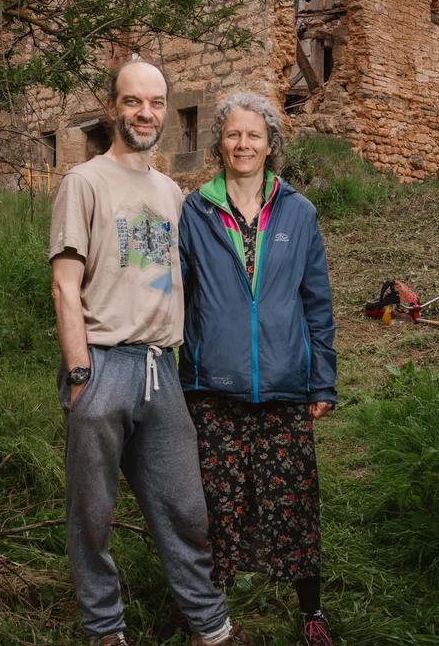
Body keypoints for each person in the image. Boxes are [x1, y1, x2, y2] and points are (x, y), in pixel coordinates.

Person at [49, 59, 248, 646]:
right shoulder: (83, 182)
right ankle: (105, 630)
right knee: (92, 516)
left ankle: (209, 627)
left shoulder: (171, 193)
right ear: (113, 107)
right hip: (102, 364)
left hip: (161, 372)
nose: (146, 113)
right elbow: (64, 283)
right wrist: (80, 372)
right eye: (134, 101)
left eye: (156, 103)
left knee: (187, 507)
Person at [177, 91, 338, 646]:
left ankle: (311, 612)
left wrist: (323, 379)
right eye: (233, 135)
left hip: (285, 383)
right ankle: (208, 618)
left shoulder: (298, 211)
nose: (243, 144)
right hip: (211, 388)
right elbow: (177, 296)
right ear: (219, 143)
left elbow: (316, 303)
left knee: (294, 496)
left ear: (271, 145)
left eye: (254, 135)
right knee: (214, 502)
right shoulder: (194, 211)